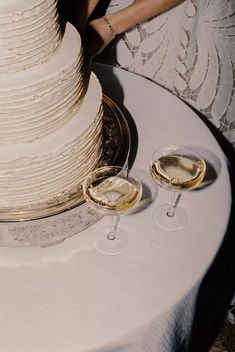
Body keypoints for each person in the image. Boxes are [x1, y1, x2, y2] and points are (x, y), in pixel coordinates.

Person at [80, 0, 235, 148]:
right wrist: (77, 21)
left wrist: (110, 25)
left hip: (188, 17)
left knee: (186, 130)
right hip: (123, 13)